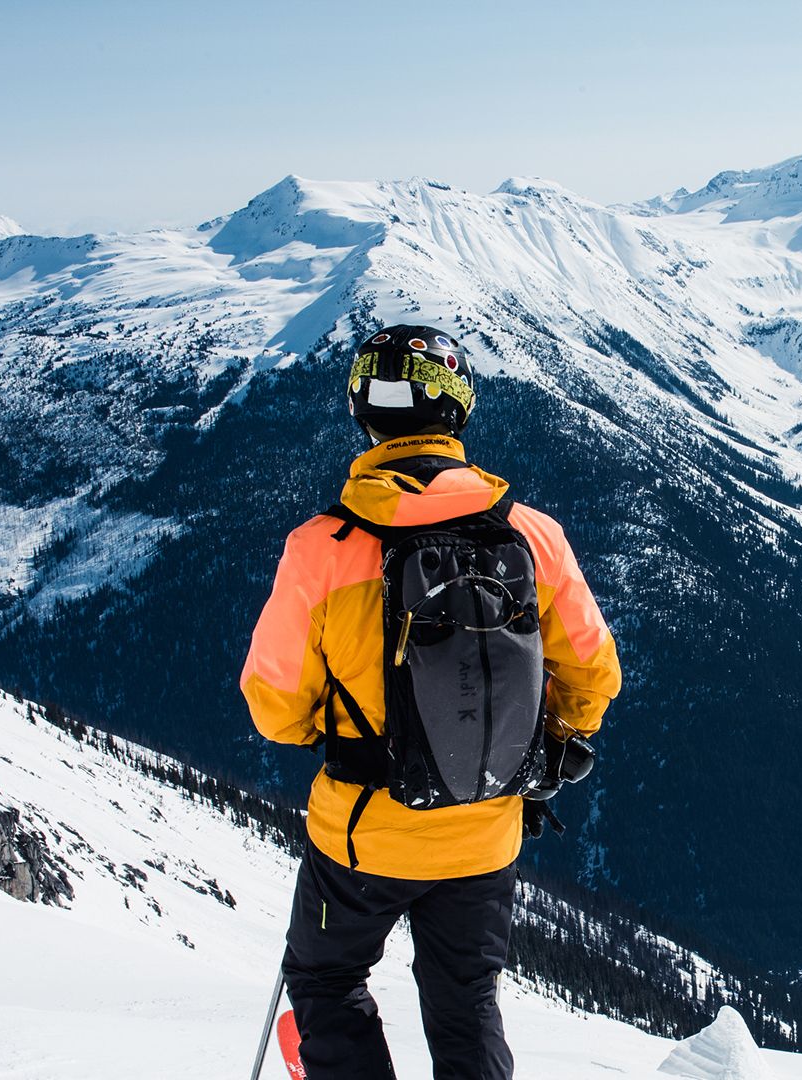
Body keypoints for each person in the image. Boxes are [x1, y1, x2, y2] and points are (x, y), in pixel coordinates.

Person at [240, 325, 621, 1079]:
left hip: (361, 837)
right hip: (486, 831)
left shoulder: (323, 547)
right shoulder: (531, 536)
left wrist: (345, 719)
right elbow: (595, 671)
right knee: (467, 1001)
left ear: (365, 414)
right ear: (457, 412)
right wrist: (558, 738)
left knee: (326, 981)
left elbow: (274, 707)